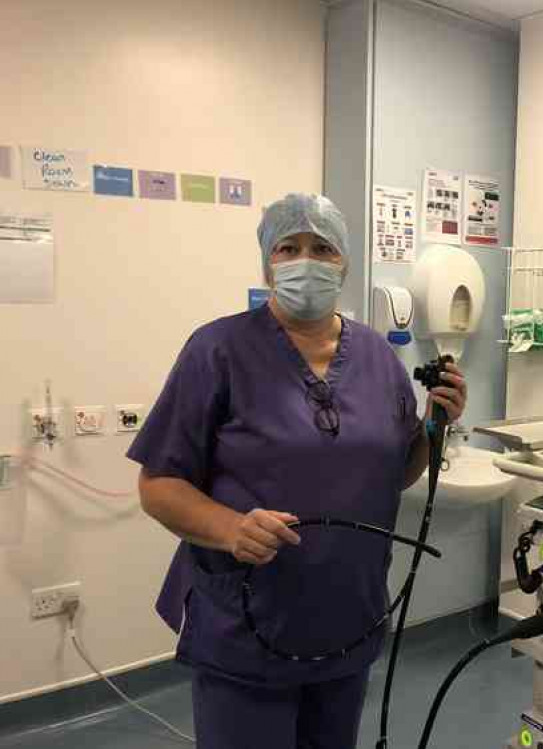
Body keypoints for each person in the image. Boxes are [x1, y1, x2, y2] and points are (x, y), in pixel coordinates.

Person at [128, 193, 467, 749]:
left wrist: (435, 425)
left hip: (346, 616)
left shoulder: (380, 358)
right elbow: (158, 485)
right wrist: (231, 529)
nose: (305, 259)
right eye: (290, 247)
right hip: (248, 620)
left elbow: (392, 474)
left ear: (345, 263)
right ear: (267, 262)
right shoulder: (217, 350)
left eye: (323, 248)